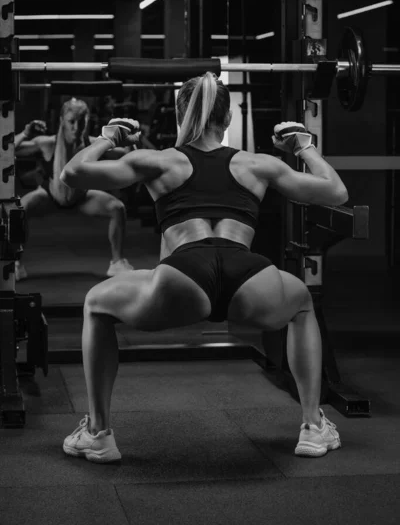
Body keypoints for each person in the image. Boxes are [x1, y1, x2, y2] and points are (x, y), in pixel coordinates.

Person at [60, 72, 346, 463]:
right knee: (300, 304)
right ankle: (313, 427)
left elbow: (71, 174)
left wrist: (108, 138)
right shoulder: (257, 164)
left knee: (96, 303)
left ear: (181, 116)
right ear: (227, 120)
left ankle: (98, 432)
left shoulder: (159, 161)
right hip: (250, 275)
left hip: (183, 275)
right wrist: (303, 146)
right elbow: (336, 191)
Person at [14, 98, 136, 280]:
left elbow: (128, 154)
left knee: (117, 208)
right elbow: (7, 150)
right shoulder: (49, 143)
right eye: (72, 122)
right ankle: (15, 264)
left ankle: (117, 264)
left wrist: (128, 137)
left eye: (82, 122)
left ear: (88, 121)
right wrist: (25, 133)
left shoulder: (93, 144)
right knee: (20, 209)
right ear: (62, 121)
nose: (76, 127)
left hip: (82, 198)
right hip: (49, 196)